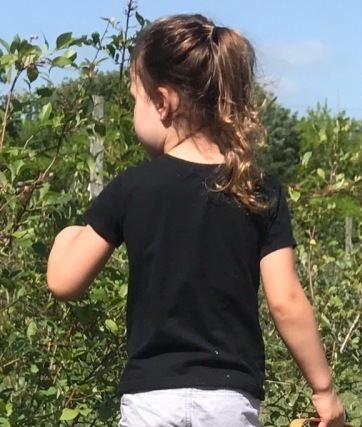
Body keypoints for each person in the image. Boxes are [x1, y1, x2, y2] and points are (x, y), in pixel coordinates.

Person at [44, 14, 345, 427]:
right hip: (229, 400)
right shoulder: (258, 189)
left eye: (136, 98)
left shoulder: (132, 187)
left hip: (152, 401)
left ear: (163, 102)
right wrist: (324, 390)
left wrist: (66, 235)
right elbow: (285, 301)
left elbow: (63, 282)